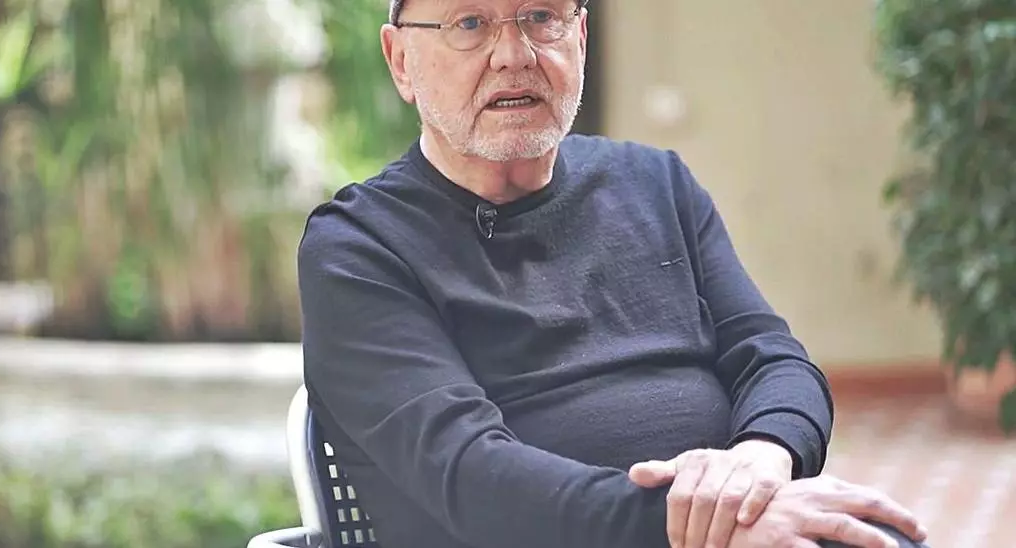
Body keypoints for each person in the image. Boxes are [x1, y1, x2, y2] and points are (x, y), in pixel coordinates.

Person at [295, 0, 933, 547]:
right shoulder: (359, 248)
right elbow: (470, 474)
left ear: (580, 35)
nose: (513, 55)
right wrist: (698, 527)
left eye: (541, 16)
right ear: (400, 60)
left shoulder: (655, 184)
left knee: (880, 538)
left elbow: (771, 358)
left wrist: (763, 459)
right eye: (470, 23)